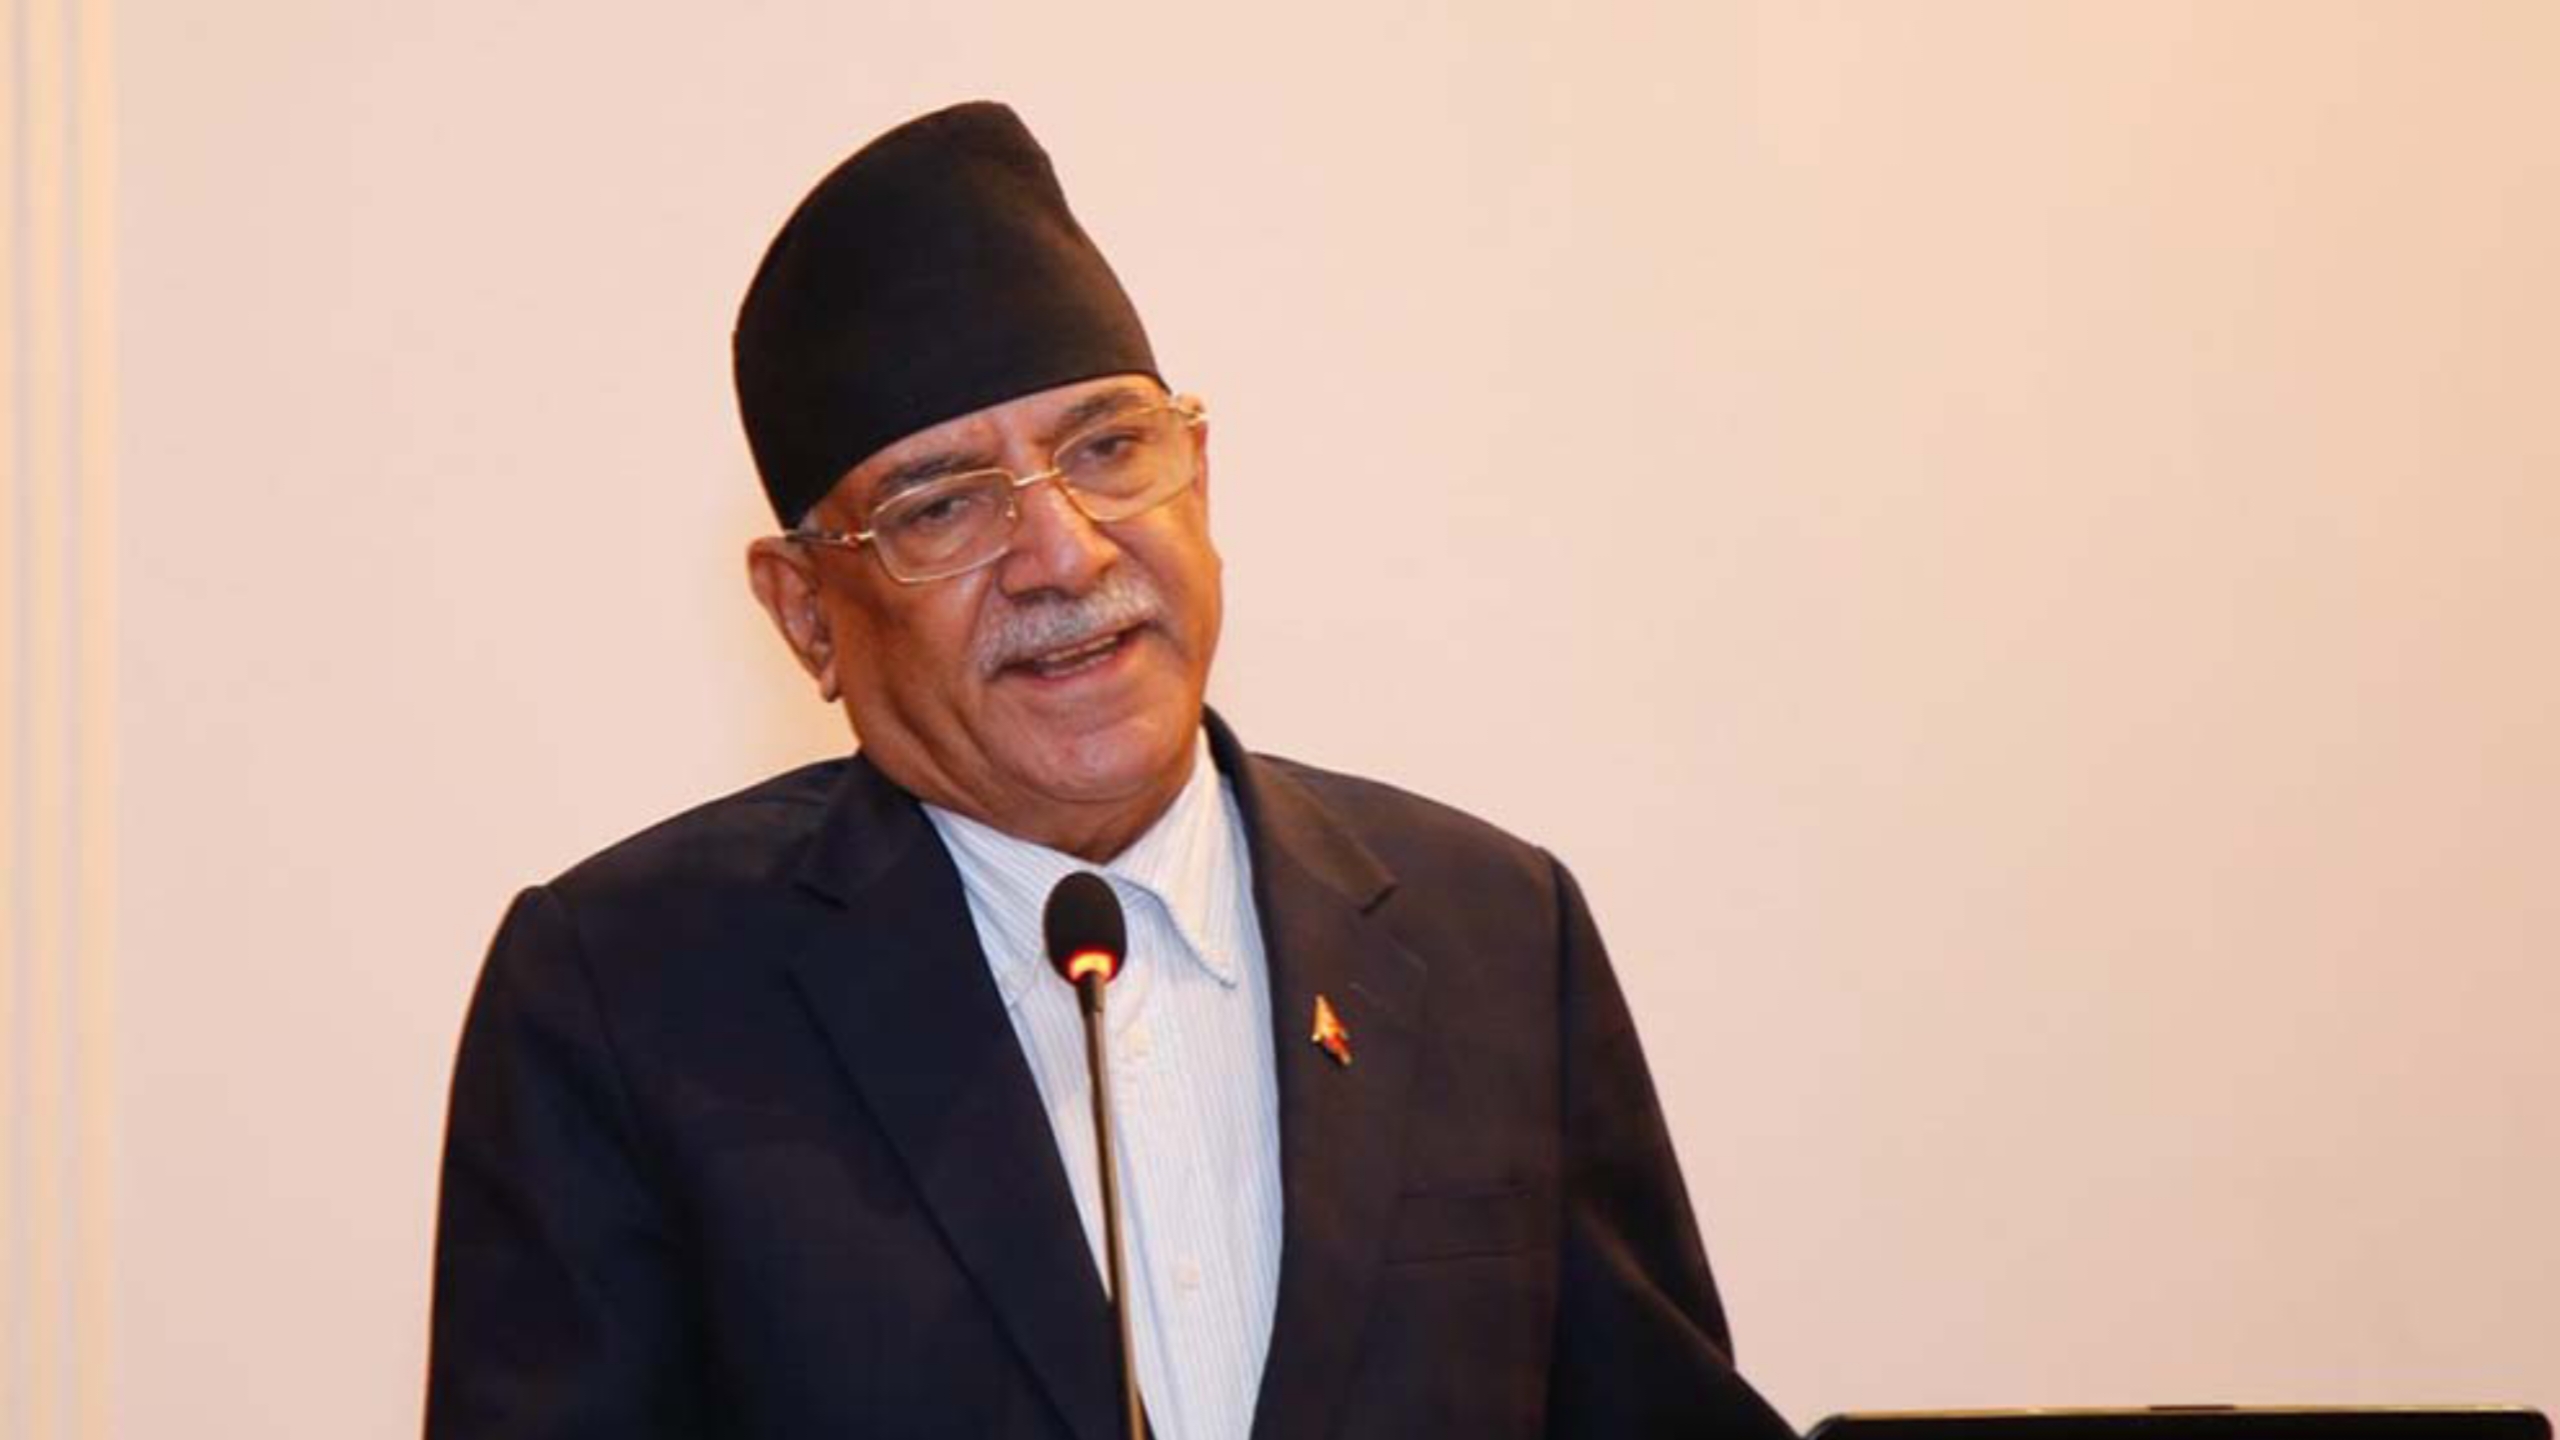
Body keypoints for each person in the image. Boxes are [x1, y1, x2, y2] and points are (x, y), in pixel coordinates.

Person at [426, 101, 1793, 1440]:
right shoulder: (627, 997)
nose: (1066, 554)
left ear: (1199, 478)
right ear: (806, 615)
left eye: (1109, 451)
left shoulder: (1491, 931)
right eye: (943, 505)